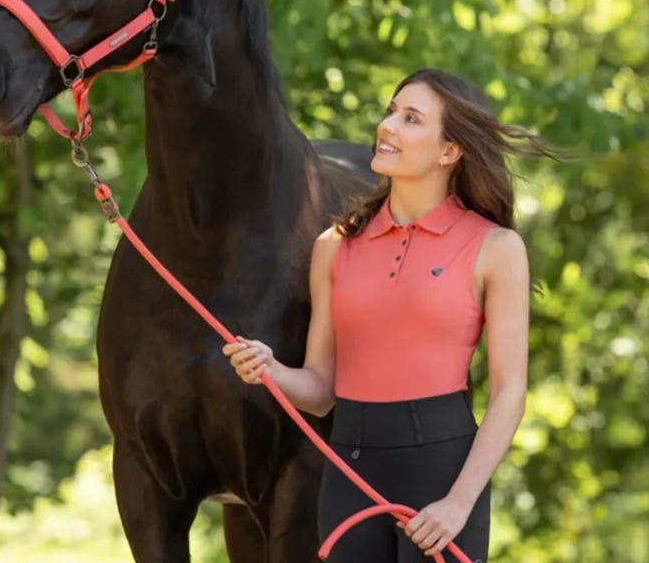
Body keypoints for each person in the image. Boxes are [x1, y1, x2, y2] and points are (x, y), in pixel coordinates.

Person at [224, 68, 561, 562]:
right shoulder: (334, 247)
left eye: (411, 118)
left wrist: (458, 503)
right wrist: (270, 370)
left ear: (449, 151)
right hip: (348, 471)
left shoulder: (496, 247)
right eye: (390, 112)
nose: (388, 126)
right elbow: (320, 392)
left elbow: (510, 393)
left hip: (442, 474)